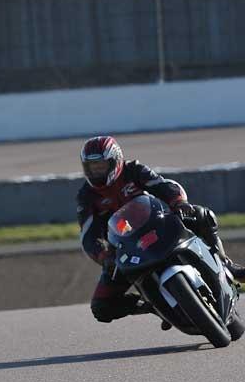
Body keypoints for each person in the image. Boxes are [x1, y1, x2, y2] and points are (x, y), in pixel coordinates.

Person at [77, 135, 245, 324]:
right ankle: (155, 306)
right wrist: (104, 255)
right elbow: (88, 235)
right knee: (101, 307)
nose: (96, 172)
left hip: (161, 225)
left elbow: (162, 186)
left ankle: (225, 263)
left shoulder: (133, 170)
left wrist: (179, 203)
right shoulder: (86, 196)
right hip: (126, 247)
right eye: (91, 167)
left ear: (115, 160)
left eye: (100, 165)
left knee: (201, 214)